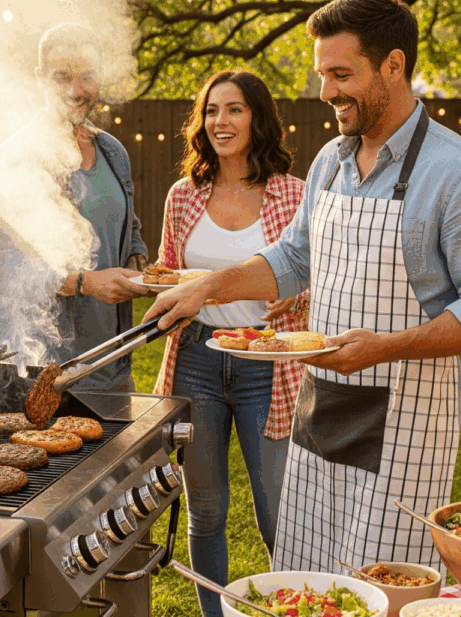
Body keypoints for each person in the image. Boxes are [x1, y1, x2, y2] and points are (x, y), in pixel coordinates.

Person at [144, 0, 461, 572]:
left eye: (341, 74)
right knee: (310, 570)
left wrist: (384, 348)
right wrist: (207, 288)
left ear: (393, 66)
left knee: (383, 581)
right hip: (320, 403)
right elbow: (293, 259)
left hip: (405, 418)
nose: (326, 92)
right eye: (323, 74)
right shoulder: (330, 163)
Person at [151, 69, 308, 617]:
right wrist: (155, 284)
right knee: (207, 511)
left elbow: (317, 272)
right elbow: (171, 274)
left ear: (257, 117)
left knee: (276, 512)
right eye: (212, 110)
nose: (221, 121)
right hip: (196, 360)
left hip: (266, 361)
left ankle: (286, 609)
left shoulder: (294, 193)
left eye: (235, 109)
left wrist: (299, 295)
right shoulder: (183, 196)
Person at [0, 22, 149, 392]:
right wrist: (83, 283)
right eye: (62, 77)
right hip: (42, 368)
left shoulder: (112, 152)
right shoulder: (13, 160)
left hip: (111, 362)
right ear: (40, 79)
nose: (76, 91)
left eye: (87, 76)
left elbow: (126, 227)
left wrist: (140, 266)